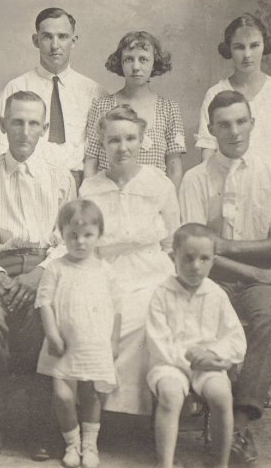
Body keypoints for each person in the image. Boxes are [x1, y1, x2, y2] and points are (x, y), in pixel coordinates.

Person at [179, 90, 271, 464]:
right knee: (199, 316)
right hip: (209, 275)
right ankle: (204, 403)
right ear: (211, 130)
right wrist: (247, 265)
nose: (234, 131)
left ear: (252, 123)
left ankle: (239, 424)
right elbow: (195, 252)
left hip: (261, 277)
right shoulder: (196, 179)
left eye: (241, 121)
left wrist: (224, 246)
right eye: (224, 124)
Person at [0, 91, 76, 461]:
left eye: (33, 123)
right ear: (3, 125)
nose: (24, 131)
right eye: (17, 122)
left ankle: (38, 428)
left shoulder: (59, 178)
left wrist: (40, 273)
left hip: (46, 266)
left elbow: (67, 239)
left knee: (42, 321)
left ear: (44, 128)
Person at [196, 13, 271, 317]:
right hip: (224, 188)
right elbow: (207, 151)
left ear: (264, 47)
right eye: (239, 47)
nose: (247, 54)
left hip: (268, 192)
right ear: (229, 49)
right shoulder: (215, 93)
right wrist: (215, 195)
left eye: (254, 46)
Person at [80, 105, 179, 416]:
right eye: (114, 141)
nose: (122, 148)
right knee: (99, 320)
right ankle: (104, 413)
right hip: (105, 272)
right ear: (103, 144)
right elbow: (84, 242)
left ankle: (142, 410)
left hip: (151, 271)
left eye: (130, 139)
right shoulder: (90, 187)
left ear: (142, 140)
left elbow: (171, 240)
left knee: (147, 318)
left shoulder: (158, 182)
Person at [146, 223, 246, 468]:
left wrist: (213, 354)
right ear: (174, 257)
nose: (195, 266)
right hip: (170, 364)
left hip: (207, 363)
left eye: (204, 259)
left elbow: (235, 338)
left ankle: (220, 463)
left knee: (222, 396)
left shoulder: (216, 294)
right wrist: (190, 357)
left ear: (213, 261)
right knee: (170, 394)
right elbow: (159, 341)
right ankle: (165, 463)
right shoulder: (162, 293)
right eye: (188, 258)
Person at [37, 200, 122, 468]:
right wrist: (52, 334)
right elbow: (44, 302)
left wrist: (114, 341)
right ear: (62, 234)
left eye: (88, 235)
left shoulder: (105, 270)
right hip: (62, 341)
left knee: (91, 394)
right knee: (62, 395)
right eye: (73, 235)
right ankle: (72, 444)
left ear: (99, 235)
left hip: (94, 343)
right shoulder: (55, 268)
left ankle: (90, 445)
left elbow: (117, 309)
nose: (80, 242)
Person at [0, 7, 106, 189]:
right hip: (27, 179)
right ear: (36, 40)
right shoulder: (17, 87)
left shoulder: (93, 91)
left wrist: (90, 188)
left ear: (74, 41)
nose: (55, 46)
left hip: (78, 181)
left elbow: (101, 149)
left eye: (62, 37)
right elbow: (2, 144)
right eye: (47, 37)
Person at [84, 31, 186, 190]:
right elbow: (91, 161)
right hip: (109, 196)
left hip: (153, 198)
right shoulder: (102, 106)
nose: (136, 67)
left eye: (143, 59)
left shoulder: (169, 108)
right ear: (121, 63)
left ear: (155, 62)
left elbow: (174, 166)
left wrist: (170, 206)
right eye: (129, 59)